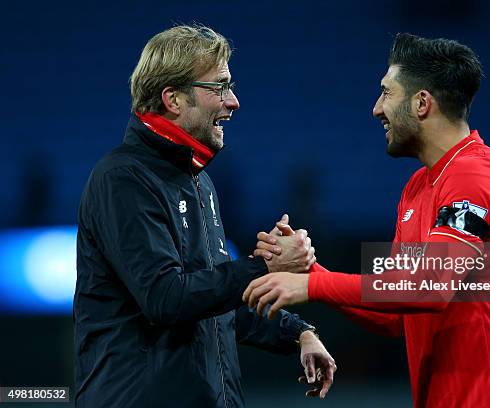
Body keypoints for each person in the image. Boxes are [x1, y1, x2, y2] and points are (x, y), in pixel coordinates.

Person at [244, 33, 490, 407]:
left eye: (387, 93)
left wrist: (312, 288)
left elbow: (430, 287)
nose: (376, 108)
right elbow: (398, 313)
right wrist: (310, 272)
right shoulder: (418, 187)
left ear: (422, 102)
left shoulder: (477, 173)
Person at [74, 24, 335, 408]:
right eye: (219, 87)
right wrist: (263, 266)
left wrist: (298, 333)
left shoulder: (198, 182)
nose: (233, 102)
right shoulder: (123, 178)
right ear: (174, 99)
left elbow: (215, 307)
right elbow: (165, 297)